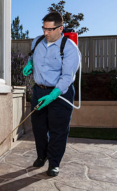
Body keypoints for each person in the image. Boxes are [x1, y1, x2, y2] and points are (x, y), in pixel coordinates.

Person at [22, 11, 80, 177]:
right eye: (44, 29)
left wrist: (53, 95)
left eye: (50, 30)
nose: (45, 33)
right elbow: (33, 58)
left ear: (60, 29)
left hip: (60, 94)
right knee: (39, 128)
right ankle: (42, 156)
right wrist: (30, 64)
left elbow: (67, 77)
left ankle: (54, 163)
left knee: (58, 130)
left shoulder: (70, 48)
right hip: (39, 91)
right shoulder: (37, 41)